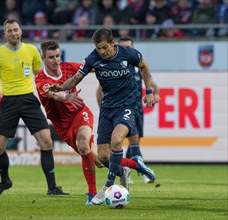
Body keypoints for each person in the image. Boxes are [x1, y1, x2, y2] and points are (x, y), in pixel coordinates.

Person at [36, 40, 156, 205]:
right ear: (43, 58)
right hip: (63, 125)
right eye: (51, 57)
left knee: (84, 144)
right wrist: (67, 96)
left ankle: (91, 195)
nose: (55, 60)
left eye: (57, 56)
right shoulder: (41, 79)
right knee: (100, 160)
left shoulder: (68, 67)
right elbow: (52, 94)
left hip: (80, 113)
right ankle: (131, 166)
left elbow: (93, 66)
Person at [0, 19, 68, 196]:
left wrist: (54, 93)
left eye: (16, 30)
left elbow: (40, 77)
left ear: (21, 31)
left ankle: (52, 188)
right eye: (9, 31)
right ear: (5, 34)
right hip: (9, 102)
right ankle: (5, 181)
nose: (13, 33)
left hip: (29, 100)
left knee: (46, 141)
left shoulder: (32, 51)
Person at [96, 36, 160, 183]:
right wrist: (103, 109)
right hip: (118, 108)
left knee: (133, 141)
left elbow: (153, 84)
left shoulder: (138, 68)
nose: (127, 49)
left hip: (135, 107)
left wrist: (154, 94)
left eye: (129, 47)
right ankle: (133, 169)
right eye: (124, 46)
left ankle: (133, 169)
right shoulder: (116, 65)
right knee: (118, 142)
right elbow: (99, 90)